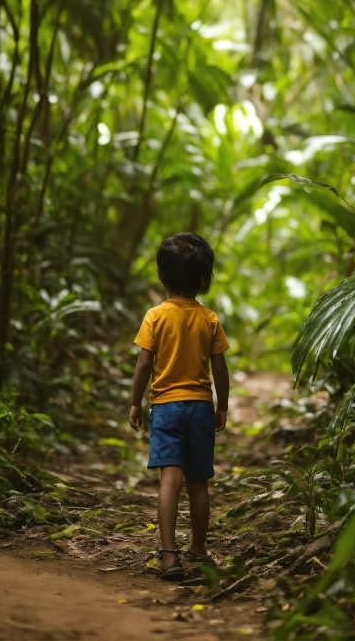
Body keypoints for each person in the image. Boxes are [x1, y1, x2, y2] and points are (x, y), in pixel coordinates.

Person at [129, 232, 230, 581]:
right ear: (204, 279)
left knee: (169, 480)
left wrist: (135, 403)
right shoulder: (210, 319)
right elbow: (220, 368)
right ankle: (199, 549)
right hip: (201, 407)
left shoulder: (155, 317)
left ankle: (169, 556)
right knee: (198, 483)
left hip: (166, 409)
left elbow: (144, 365)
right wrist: (223, 407)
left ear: (161, 275)